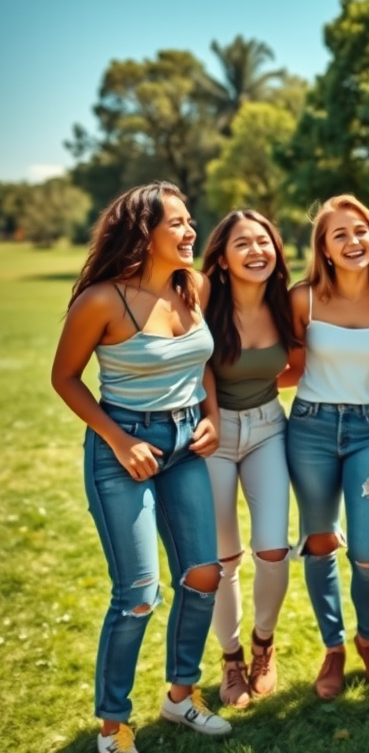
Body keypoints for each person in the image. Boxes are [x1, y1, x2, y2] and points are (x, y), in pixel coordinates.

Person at [51, 182, 231, 753]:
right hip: (121, 447)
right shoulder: (102, 300)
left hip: (185, 445)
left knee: (204, 574)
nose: (189, 231)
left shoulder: (193, 287)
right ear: (143, 233)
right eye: (176, 223)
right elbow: (65, 378)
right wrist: (120, 440)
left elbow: (200, 362)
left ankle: (181, 696)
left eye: (189, 221)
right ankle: (113, 726)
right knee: (137, 592)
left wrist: (213, 416)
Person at [284, 195, 369, 700]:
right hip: (311, 429)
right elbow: (291, 366)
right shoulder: (304, 300)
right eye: (339, 235)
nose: (353, 241)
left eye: (360, 231)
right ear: (324, 248)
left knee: (366, 552)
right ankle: (334, 648)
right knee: (319, 543)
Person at [201, 210, 298, 707]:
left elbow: (296, 365)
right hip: (212, 434)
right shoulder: (203, 301)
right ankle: (232, 658)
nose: (257, 251)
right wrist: (216, 412)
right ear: (220, 258)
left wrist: (256, 389)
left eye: (264, 241)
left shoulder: (287, 303)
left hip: (267, 428)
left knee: (273, 549)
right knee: (222, 559)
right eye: (243, 244)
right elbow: (195, 365)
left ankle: (264, 643)